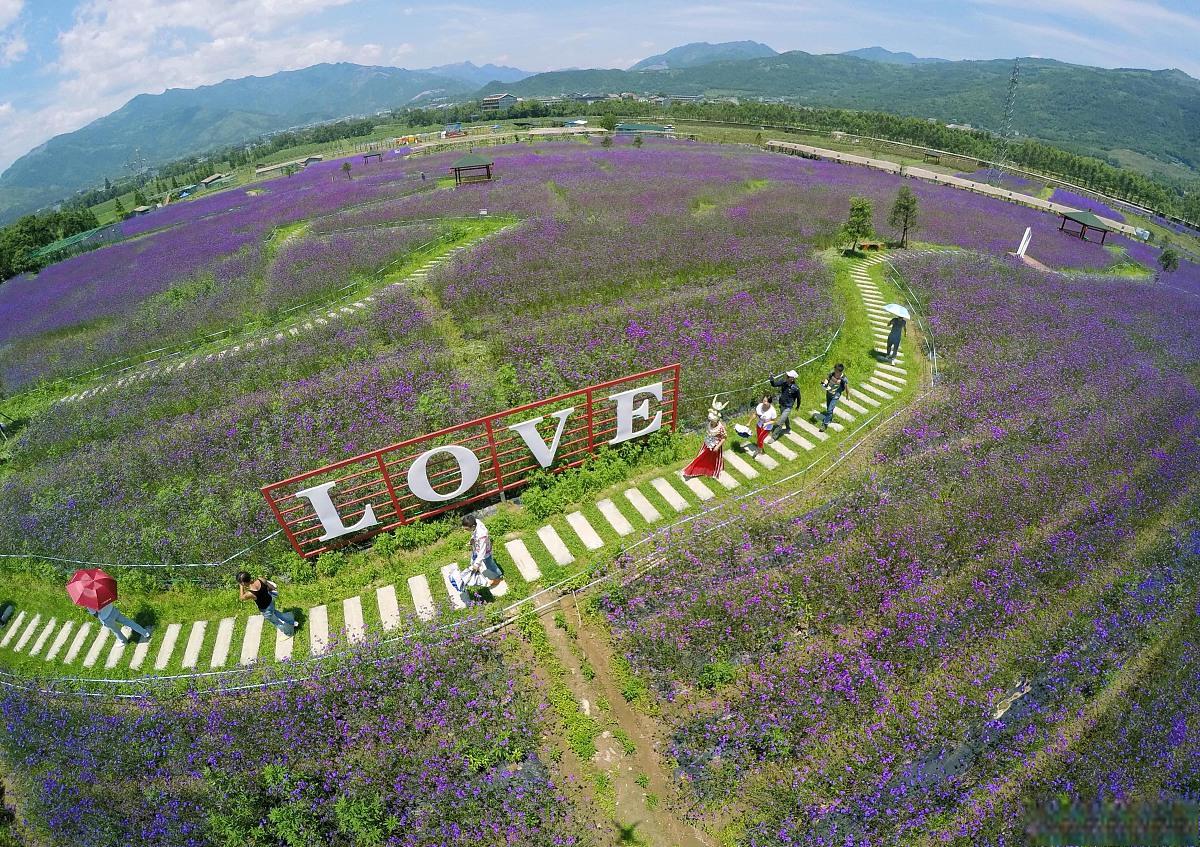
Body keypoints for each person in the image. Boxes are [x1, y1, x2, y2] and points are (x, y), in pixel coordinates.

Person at [449, 514, 505, 602]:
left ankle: (499, 575)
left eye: (466, 528)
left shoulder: (482, 535)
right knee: (475, 561)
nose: (465, 530)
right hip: (477, 548)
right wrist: (472, 540)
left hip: (485, 553)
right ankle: (477, 570)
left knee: (489, 564)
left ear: (473, 526)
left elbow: (482, 551)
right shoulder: (476, 522)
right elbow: (474, 534)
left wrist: (477, 564)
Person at [237, 572, 296, 636]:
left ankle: (289, 633)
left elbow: (241, 598)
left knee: (276, 622)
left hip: (265, 610)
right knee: (275, 612)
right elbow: (272, 587)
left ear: (243, 583)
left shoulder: (250, 593)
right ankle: (291, 620)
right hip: (271, 601)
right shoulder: (260, 579)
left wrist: (241, 587)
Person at [683, 399, 727, 479]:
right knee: (701, 456)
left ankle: (711, 469)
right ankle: (696, 469)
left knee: (713, 459)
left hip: (715, 445)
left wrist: (717, 446)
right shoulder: (710, 423)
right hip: (707, 443)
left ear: (717, 419)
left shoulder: (721, 428)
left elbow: (724, 438)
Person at [767, 370, 801, 442]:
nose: (787, 377)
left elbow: (798, 398)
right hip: (782, 404)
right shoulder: (783, 382)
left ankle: (774, 437)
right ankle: (788, 427)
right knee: (784, 417)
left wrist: (798, 406)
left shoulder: (796, 388)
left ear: (792, 379)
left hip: (788, 407)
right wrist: (771, 379)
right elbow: (774, 385)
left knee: (780, 422)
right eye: (787, 376)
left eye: (788, 376)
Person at [818, 363, 849, 432]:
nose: (835, 372)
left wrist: (847, 394)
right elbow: (827, 379)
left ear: (840, 372)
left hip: (836, 395)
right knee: (828, 407)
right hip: (829, 393)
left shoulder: (843, 378)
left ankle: (825, 424)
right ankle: (830, 418)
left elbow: (846, 387)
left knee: (829, 410)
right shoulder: (832, 374)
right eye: (835, 370)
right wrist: (825, 384)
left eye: (836, 371)